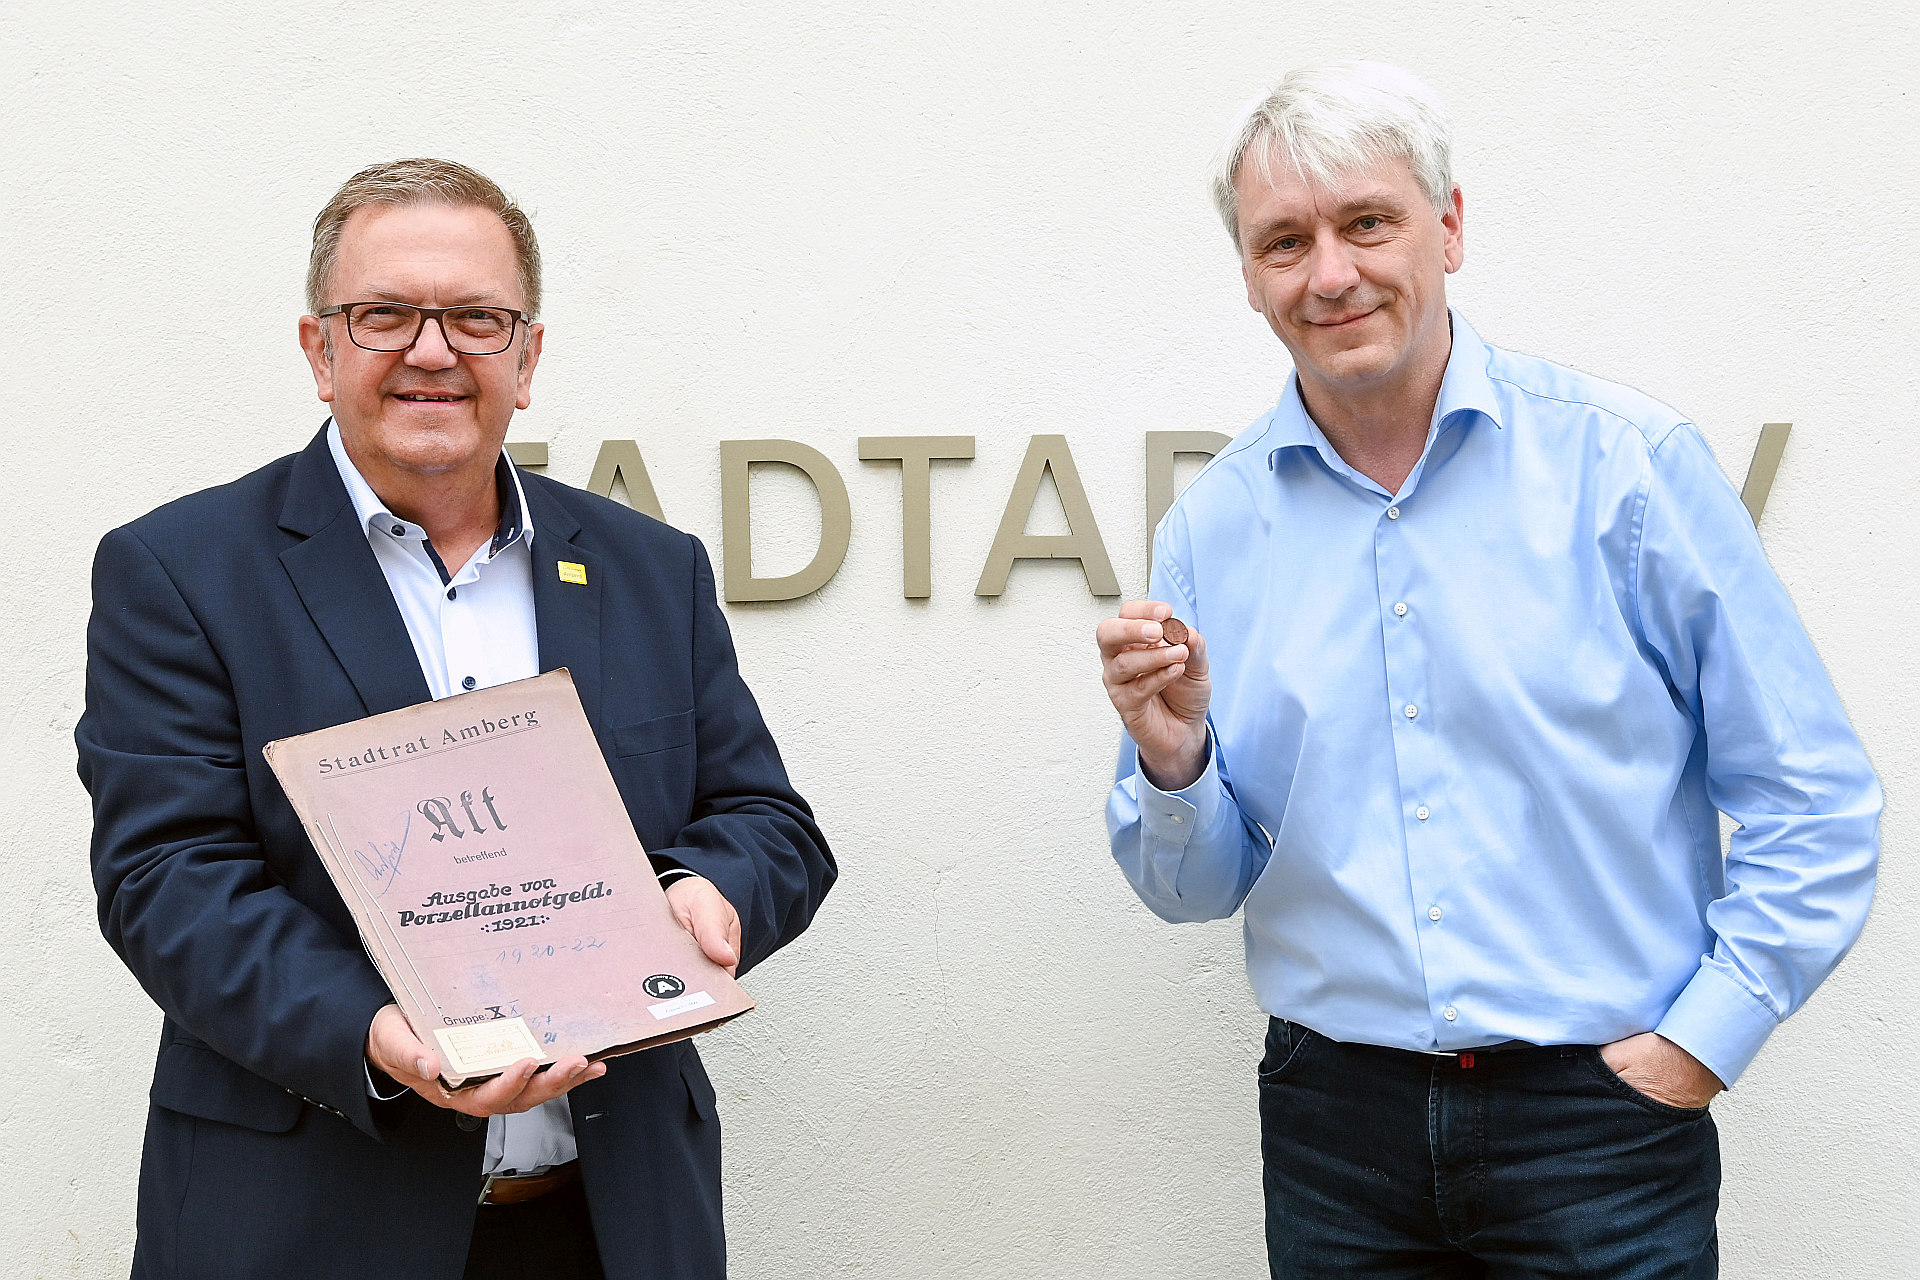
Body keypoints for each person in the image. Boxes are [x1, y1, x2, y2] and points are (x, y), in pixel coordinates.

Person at [1098, 62, 1879, 1278]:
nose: (1331, 273)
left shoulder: (1627, 471)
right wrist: (1171, 758)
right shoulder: (1213, 529)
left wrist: (1700, 1043)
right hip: (1333, 1132)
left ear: (1448, 227)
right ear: (1250, 276)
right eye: (1285, 241)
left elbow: (1813, 795)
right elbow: (1195, 891)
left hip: (1600, 1128)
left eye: (1368, 222)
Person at [77, 158, 836, 1280]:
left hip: (611, 1220)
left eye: (477, 318)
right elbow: (169, 878)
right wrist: (377, 1036)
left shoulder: (646, 569)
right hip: (308, 1219)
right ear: (319, 350)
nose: (432, 351)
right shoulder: (182, 571)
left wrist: (706, 893)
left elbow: (769, 820)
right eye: (384, 313)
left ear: (526, 359)